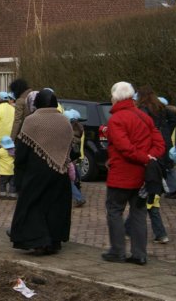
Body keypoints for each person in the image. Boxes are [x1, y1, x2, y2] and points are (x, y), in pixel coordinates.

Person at [101, 82, 165, 265]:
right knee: (138, 213)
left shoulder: (116, 119)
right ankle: (139, 254)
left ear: (115, 97)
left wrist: (144, 158)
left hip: (122, 174)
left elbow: (124, 148)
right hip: (143, 176)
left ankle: (117, 250)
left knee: (114, 210)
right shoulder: (144, 117)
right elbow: (159, 144)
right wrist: (150, 157)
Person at [9, 89, 76, 255]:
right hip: (60, 171)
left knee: (33, 206)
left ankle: (38, 240)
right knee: (56, 207)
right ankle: (54, 241)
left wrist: (19, 171)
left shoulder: (32, 121)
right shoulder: (65, 121)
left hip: (37, 171)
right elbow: (71, 149)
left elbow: (22, 150)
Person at [63, 109, 86, 207]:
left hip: (68, 158)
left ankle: (78, 197)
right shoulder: (79, 127)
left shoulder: (69, 130)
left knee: (67, 179)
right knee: (74, 175)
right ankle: (78, 193)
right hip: (76, 156)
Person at [0, 136, 17, 200]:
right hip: (12, 171)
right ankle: (12, 195)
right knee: (12, 184)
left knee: (2, 183)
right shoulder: (13, 150)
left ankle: (3, 195)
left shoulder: (1, 151)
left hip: (4, 172)